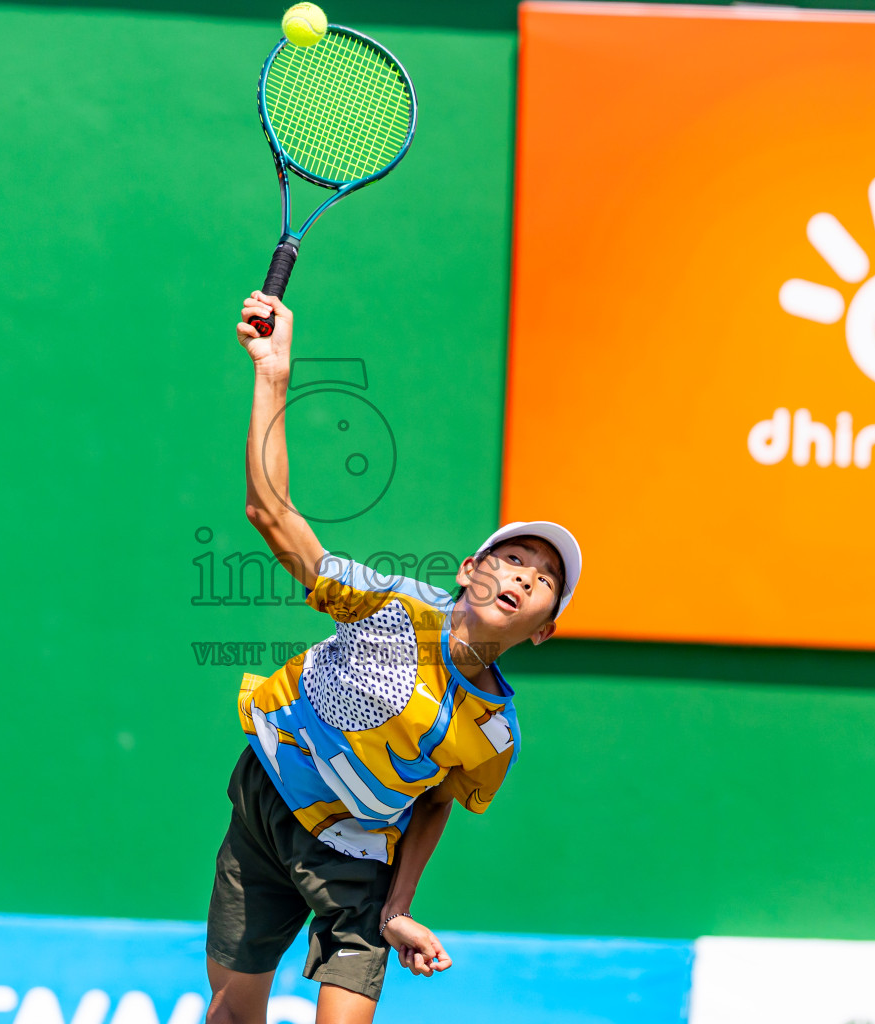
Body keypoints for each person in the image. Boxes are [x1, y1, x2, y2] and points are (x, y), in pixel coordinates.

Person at [206, 292, 583, 1024]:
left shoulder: (495, 735)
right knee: (228, 1016)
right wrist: (272, 375)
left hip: (355, 862)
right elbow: (270, 513)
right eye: (510, 560)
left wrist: (399, 906)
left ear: (543, 630)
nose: (523, 578)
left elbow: (438, 797)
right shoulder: (390, 608)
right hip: (266, 801)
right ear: (469, 570)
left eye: (544, 582)